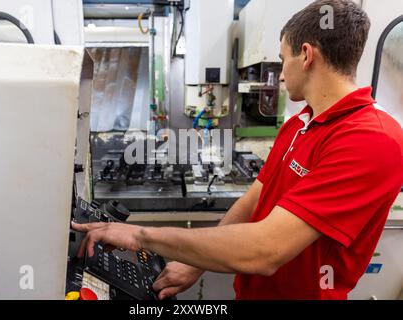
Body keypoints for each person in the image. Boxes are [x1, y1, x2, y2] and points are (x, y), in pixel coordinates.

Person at [72, 0, 403, 300]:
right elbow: (253, 200)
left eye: (282, 59)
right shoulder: (300, 123)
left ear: (306, 55)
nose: (281, 74)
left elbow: (266, 250)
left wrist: (142, 236)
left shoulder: (373, 140)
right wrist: (194, 264)